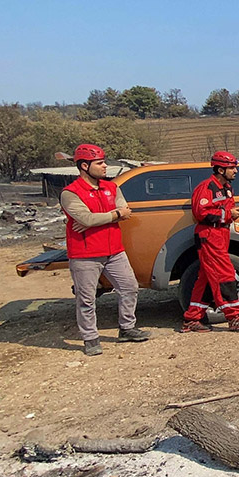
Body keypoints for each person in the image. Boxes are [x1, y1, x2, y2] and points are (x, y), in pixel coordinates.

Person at [61, 144, 151, 355]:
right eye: (99, 163)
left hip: (114, 251)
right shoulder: (70, 193)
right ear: (84, 165)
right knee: (86, 299)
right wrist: (112, 215)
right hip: (85, 254)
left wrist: (96, 219)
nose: (105, 166)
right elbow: (85, 218)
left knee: (129, 287)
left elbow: (125, 210)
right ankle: (90, 339)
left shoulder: (111, 188)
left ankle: (127, 328)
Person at [181, 151, 239, 333]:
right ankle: (234, 316)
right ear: (220, 169)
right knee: (224, 274)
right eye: (232, 168)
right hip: (209, 236)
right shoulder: (206, 188)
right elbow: (201, 213)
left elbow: (223, 209)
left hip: (220, 235)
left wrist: (234, 212)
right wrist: (229, 215)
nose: (236, 171)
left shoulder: (226, 188)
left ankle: (192, 318)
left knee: (206, 278)